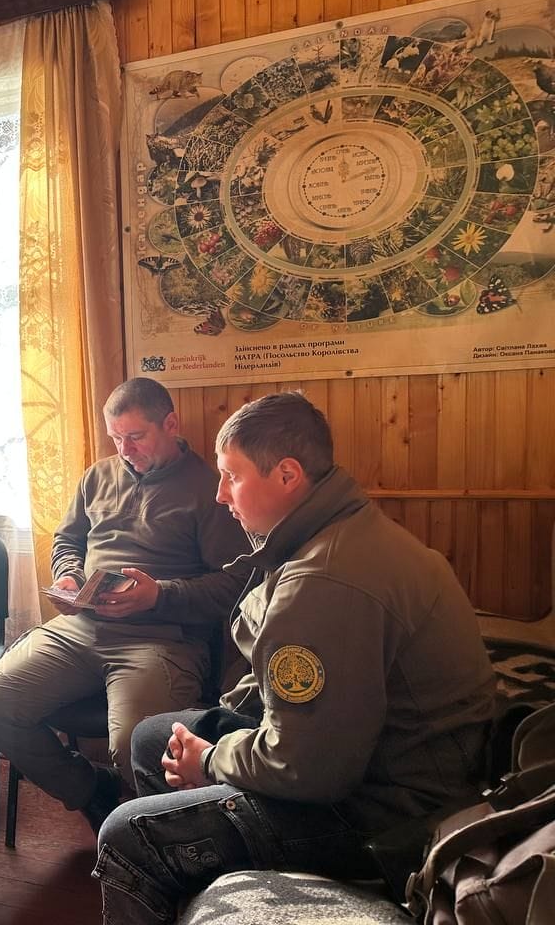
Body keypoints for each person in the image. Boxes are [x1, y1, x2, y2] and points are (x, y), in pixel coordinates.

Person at [94, 392, 498, 924]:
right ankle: (198, 868)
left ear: (287, 475)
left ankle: (190, 858)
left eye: (231, 476)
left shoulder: (323, 581)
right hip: (372, 760)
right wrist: (216, 741)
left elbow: (306, 768)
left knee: (127, 833)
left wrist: (210, 761)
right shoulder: (334, 527)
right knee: (154, 738)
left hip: (389, 816)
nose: (220, 494)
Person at [0, 378, 250, 829]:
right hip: (81, 627)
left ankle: (166, 840)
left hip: (161, 639)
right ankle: (90, 790)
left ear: (171, 424)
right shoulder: (98, 476)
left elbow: (236, 584)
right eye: (116, 438)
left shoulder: (209, 489)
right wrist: (68, 576)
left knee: (134, 745)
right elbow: (67, 541)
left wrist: (158, 595)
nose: (125, 450)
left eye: (136, 436)